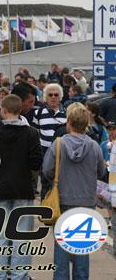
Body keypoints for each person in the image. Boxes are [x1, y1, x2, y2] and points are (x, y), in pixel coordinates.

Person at [43, 103, 106, 280]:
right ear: (86, 124)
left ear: (68, 123)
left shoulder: (58, 144)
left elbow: (47, 170)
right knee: (81, 249)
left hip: (63, 200)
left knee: (61, 250)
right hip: (86, 202)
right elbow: (101, 172)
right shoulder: (94, 146)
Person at [0, 95, 43, 280]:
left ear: (3, 111)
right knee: (22, 235)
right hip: (23, 188)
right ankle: (19, 274)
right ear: (20, 111)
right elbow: (36, 162)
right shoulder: (31, 133)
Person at [33, 83, 67, 198]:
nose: (53, 97)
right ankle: (45, 206)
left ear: (60, 97)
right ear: (45, 97)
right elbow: (35, 133)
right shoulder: (38, 113)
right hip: (45, 152)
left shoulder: (66, 113)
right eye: (50, 95)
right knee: (46, 183)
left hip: (62, 153)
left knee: (62, 183)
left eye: (56, 95)